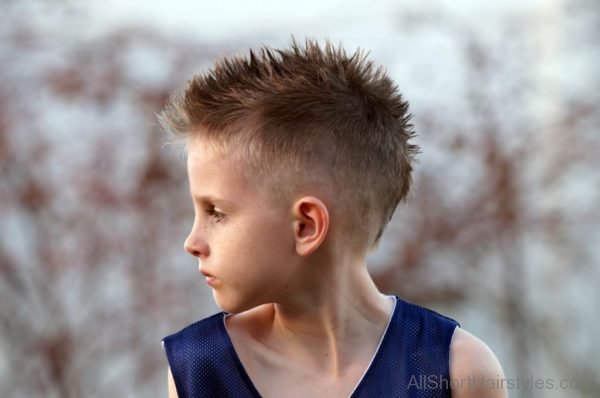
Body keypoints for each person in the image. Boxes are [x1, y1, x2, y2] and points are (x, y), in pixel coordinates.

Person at [159, 39, 506, 398]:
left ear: (306, 226)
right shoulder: (198, 370)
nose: (192, 242)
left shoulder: (455, 371)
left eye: (216, 212)